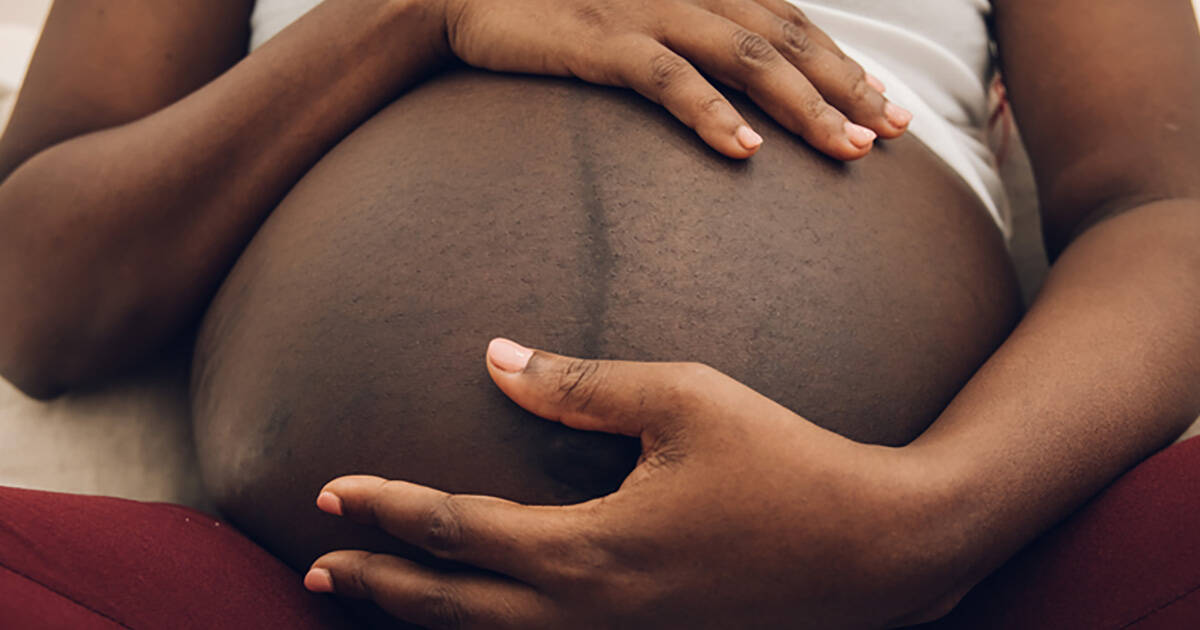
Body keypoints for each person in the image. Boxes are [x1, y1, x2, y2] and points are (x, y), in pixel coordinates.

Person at [0, 0, 1197, 628]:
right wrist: (415, 12)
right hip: (312, 600)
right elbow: (33, 294)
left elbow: (1169, 207)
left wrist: (933, 524)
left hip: (917, 603)